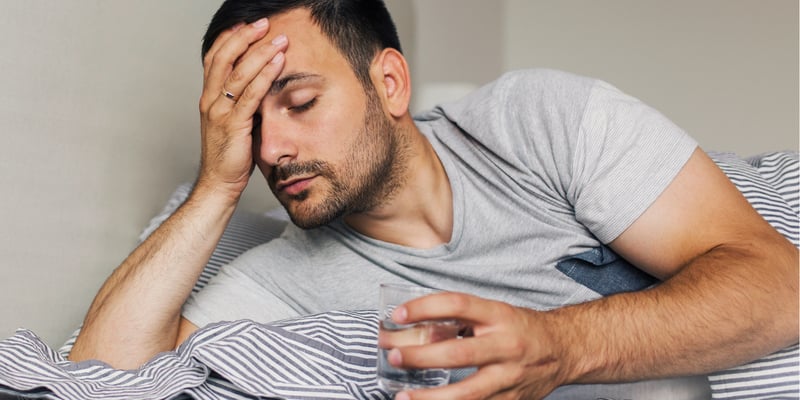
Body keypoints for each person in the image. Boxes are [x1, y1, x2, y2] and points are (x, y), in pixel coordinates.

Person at [69, 0, 799, 399]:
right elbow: (96, 378)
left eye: (299, 101)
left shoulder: (539, 122)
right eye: (248, 123)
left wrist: (562, 346)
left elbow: (779, 285)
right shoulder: (282, 277)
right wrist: (218, 183)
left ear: (389, 83)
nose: (270, 149)